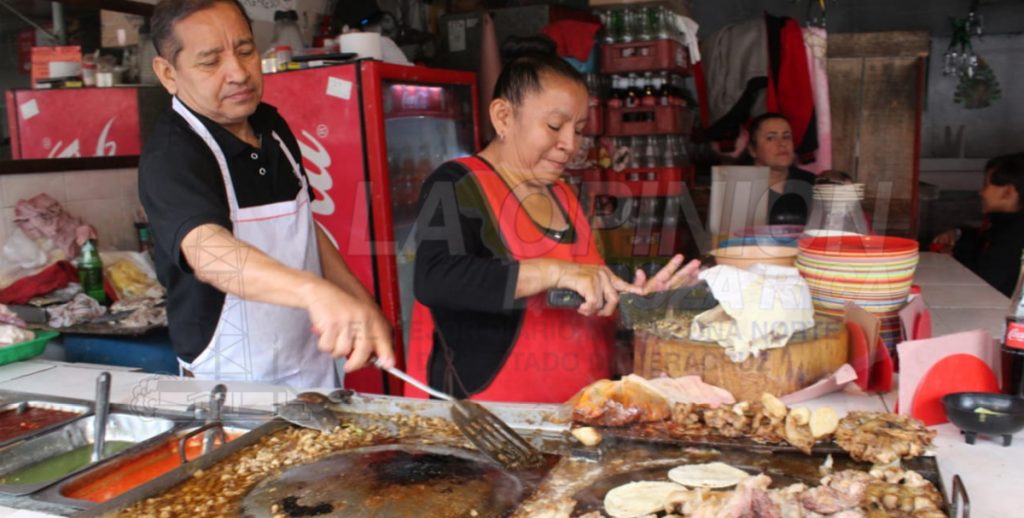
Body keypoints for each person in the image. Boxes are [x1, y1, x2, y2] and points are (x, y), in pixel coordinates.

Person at [405, 52, 699, 403]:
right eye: (554, 126)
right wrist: (556, 271)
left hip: (581, 411)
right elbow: (436, 278)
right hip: (491, 424)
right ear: (503, 116)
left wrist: (640, 303)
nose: (570, 145)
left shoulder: (564, 195)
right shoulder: (458, 183)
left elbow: (585, 292)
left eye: (578, 130)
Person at [139, 0, 394, 387]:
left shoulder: (270, 124)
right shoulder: (172, 155)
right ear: (168, 74)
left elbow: (304, 229)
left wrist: (359, 301)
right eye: (210, 62)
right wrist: (315, 293)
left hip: (312, 364)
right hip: (233, 383)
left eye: (245, 51)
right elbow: (209, 254)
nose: (239, 73)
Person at [931, 153, 1024, 297]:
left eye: (986, 185)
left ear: (1007, 192)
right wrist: (957, 234)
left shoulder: (1014, 237)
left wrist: (955, 254)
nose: (981, 192)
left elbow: (981, 281)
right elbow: (981, 238)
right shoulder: (1003, 223)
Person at [744, 112, 816, 225]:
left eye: (786, 137)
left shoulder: (811, 183)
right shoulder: (741, 186)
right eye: (771, 138)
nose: (782, 143)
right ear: (753, 150)